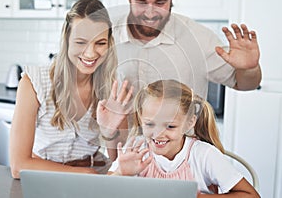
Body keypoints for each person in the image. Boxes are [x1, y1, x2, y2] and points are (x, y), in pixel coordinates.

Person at [9, 0, 133, 179]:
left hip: (95, 175)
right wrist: (82, 174)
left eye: (100, 43)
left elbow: (118, 161)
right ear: (67, 39)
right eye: (81, 42)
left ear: (109, 43)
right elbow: (18, 166)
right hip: (43, 177)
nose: (90, 53)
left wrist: (110, 131)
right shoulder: (34, 83)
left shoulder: (112, 88)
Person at [111, 0, 261, 99]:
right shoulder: (106, 34)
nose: (150, 13)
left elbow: (243, 84)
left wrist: (249, 69)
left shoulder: (198, 37)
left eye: (160, 2)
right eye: (141, 2)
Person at [109, 80, 260, 197]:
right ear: (140, 118)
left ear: (190, 122)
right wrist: (120, 173)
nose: (158, 134)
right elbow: (103, 191)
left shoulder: (204, 155)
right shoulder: (137, 148)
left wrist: (194, 196)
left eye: (170, 126)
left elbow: (251, 195)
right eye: (150, 124)